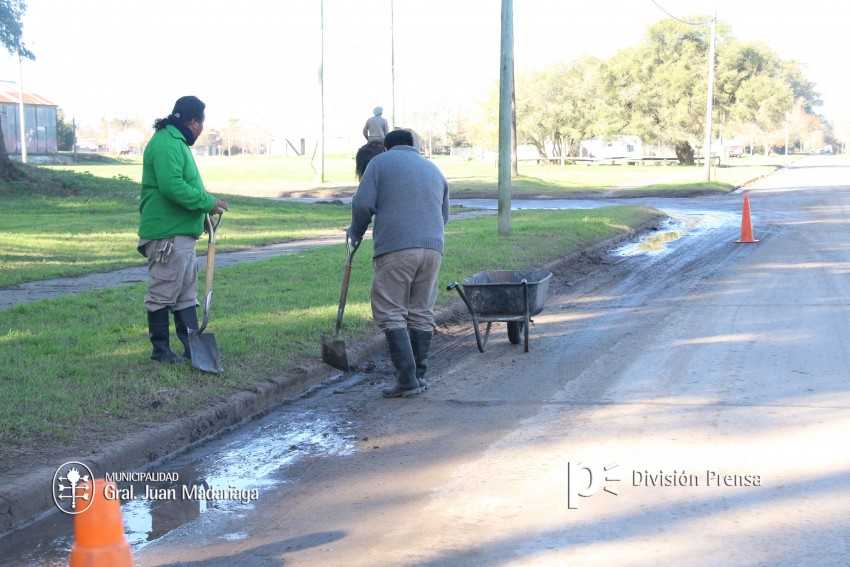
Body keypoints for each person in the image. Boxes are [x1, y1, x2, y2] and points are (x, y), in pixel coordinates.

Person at [347, 129, 450, 397]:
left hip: (397, 248)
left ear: (387, 147)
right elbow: (444, 214)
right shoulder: (433, 168)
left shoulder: (379, 163)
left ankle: (406, 380)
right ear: (412, 145)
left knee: (390, 310)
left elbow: (362, 205)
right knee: (420, 311)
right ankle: (418, 377)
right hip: (433, 248)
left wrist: (355, 232)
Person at [137, 95, 229, 363]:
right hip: (168, 234)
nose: (201, 130)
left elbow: (182, 186)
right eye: (202, 124)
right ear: (194, 122)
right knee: (163, 293)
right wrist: (208, 202)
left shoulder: (175, 142)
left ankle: (192, 347)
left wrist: (201, 215)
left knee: (185, 294)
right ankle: (161, 352)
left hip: (181, 233)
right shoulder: (166, 143)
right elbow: (172, 186)